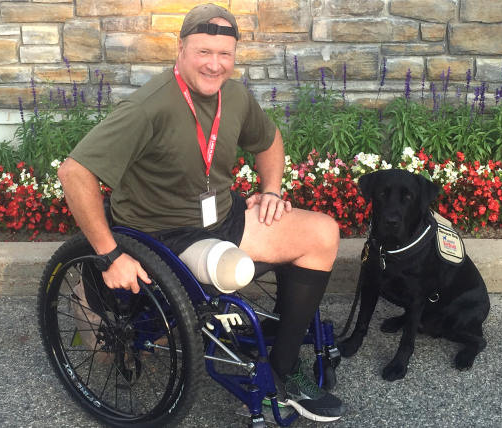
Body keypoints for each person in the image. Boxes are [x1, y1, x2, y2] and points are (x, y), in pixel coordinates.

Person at [57, 3, 345, 422]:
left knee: (323, 233)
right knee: (235, 271)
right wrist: (109, 254)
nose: (215, 64)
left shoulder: (236, 95)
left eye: (224, 54)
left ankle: (284, 367)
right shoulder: (149, 106)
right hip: (162, 235)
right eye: (203, 52)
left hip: (223, 218)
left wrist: (271, 189)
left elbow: (268, 140)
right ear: (181, 50)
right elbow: (74, 172)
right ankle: (97, 299)